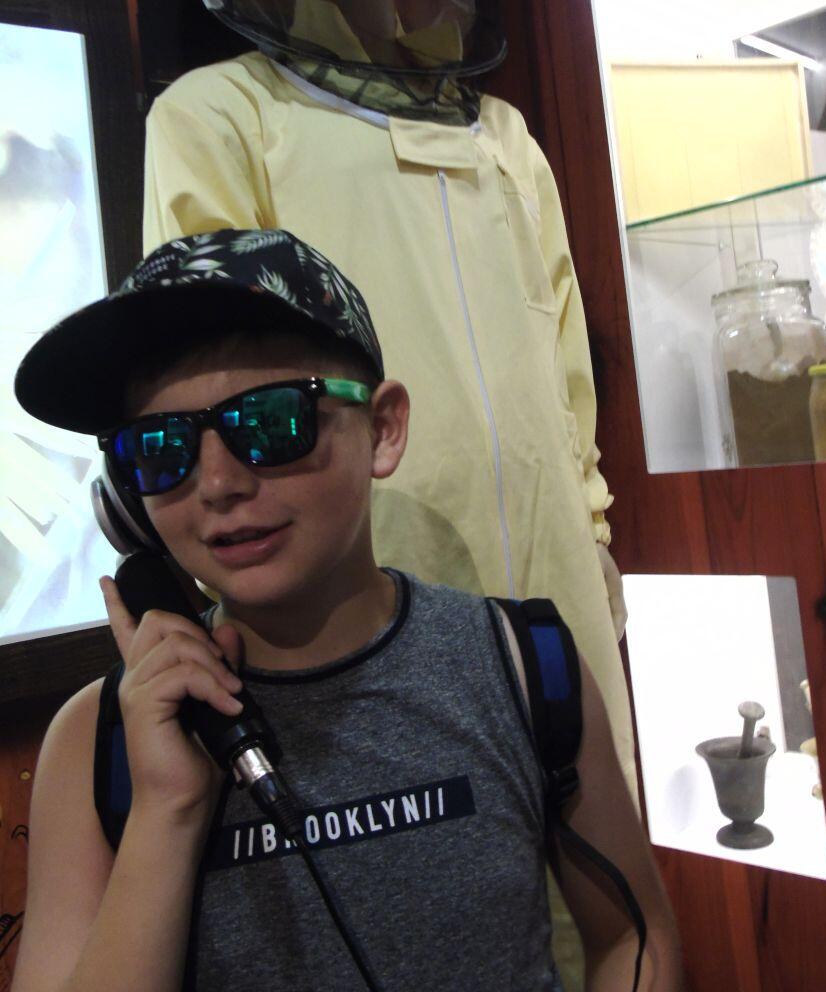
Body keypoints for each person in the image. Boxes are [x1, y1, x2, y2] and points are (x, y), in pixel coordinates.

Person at [144, 0, 632, 979]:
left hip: (558, 586)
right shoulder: (223, 114)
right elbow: (199, 371)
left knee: (604, 903)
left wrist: (595, 537)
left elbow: (564, 361)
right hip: (360, 592)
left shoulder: (506, 137)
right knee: (419, 910)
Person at [12, 228, 682, 992]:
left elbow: (633, 934)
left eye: (271, 422)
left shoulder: (526, 665)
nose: (219, 484)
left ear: (383, 429)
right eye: (163, 448)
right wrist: (167, 807)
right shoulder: (95, 743)